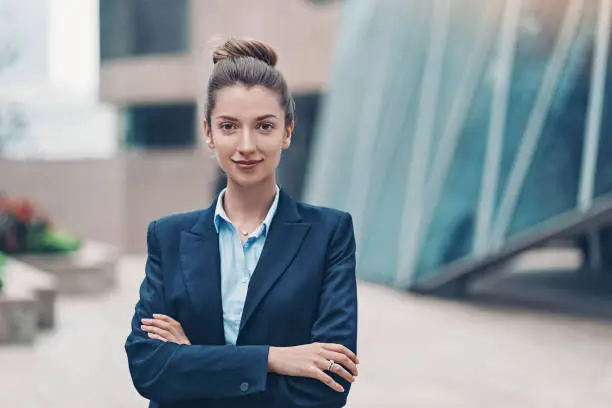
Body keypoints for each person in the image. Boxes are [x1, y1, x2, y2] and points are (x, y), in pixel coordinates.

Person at [125, 38, 359, 408]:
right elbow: (148, 368)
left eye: (264, 126)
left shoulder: (329, 235)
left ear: (287, 132)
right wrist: (274, 358)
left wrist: (195, 360)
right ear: (208, 133)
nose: (246, 145)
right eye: (229, 126)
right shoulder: (168, 237)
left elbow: (329, 382)